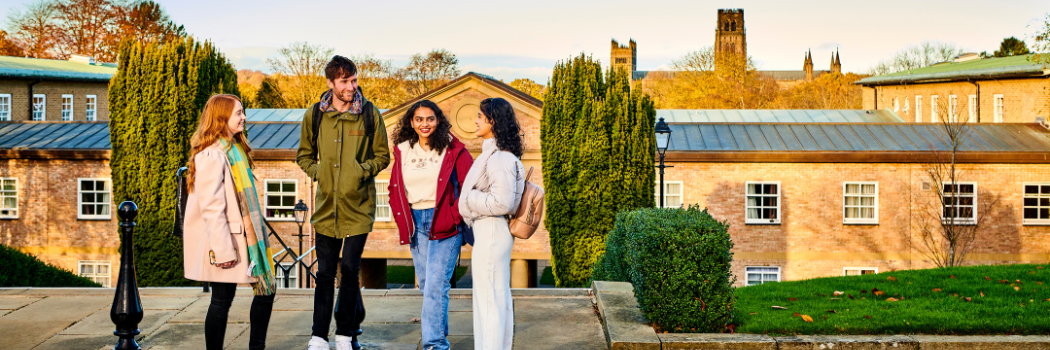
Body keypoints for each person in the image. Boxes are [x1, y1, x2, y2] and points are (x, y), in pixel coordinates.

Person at [297, 55, 390, 350]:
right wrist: (320, 175)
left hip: (358, 208)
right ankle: (318, 337)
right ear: (330, 83)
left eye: (354, 80)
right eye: (345, 81)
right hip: (326, 209)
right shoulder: (314, 116)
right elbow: (304, 156)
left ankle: (346, 336)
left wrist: (359, 172)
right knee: (324, 274)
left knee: (350, 270)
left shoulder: (369, 114)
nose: (352, 86)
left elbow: (382, 156)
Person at [183, 94, 278, 350]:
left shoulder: (235, 148)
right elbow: (212, 208)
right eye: (239, 113)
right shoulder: (212, 155)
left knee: (265, 291)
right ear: (222, 117)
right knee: (222, 300)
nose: (244, 117)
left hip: (246, 237)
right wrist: (223, 250)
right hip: (229, 241)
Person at [388, 100, 474, 350]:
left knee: (436, 284)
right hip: (416, 223)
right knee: (427, 285)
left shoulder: (453, 148)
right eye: (419, 119)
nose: (424, 124)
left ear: (438, 121)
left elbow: (469, 185)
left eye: (430, 119)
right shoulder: (403, 149)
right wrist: (400, 218)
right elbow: (394, 188)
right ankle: (439, 333)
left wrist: (454, 214)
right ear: (411, 122)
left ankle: (435, 344)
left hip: (445, 223)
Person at [458, 97, 526, 350]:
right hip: (491, 231)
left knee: (489, 301)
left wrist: (468, 197)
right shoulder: (496, 155)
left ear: (492, 121)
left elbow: (502, 203)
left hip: (492, 231)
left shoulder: (499, 159)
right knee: (495, 299)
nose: (475, 120)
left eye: (480, 116)